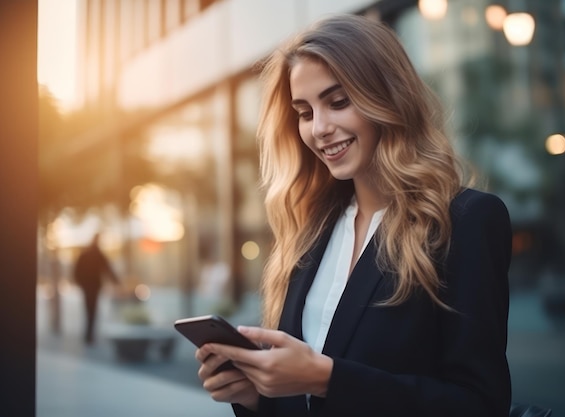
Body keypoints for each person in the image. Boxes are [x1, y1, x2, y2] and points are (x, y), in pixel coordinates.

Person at [195, 14, 512, 417]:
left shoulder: (465, 221)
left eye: (338, 102)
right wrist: (256, 396)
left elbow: (480, 405)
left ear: (388, 97)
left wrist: (326, 379)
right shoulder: (310, 228)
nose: (319, 128)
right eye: (305, 112)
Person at [73, 232, 119, 344]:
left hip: (88, 287)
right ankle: (89, 336)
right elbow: (107, 268)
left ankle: (88, 335)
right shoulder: (96, 254)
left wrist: (80, 283)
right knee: (92, 311)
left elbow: (76, 271)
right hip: (93, 286)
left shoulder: (86, 253)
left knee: (89, 310)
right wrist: (117, 281)